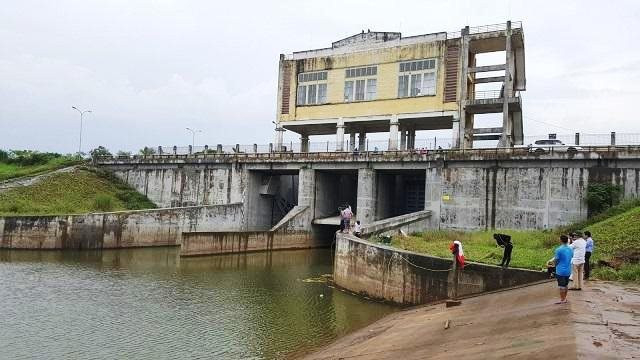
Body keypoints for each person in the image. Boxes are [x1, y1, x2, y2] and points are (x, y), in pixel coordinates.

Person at [553, 235, 573, 304]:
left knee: (561, 286)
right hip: (568, 270)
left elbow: (556, 260)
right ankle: (565, 298)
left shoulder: (558, 249)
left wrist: (554, 265)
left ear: (561, 240)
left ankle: (562, 299)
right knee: (566, 285)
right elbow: (571, 256)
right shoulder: (570, 249)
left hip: (560, 271)